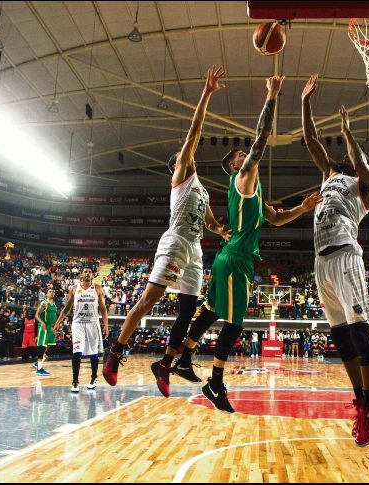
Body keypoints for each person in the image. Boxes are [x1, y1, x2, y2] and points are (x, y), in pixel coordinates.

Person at [172, 74, 321, 413]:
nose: (244, 154)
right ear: (233, 166)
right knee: (235, 323)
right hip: (236, 258)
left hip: (235, 257)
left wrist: (304, 207)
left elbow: (277, 218)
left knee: (211, 310)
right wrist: (271, 95)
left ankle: (184, 358)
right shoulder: (242, 178)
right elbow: (261, 137)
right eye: (238, 155)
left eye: (244, 154)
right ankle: (215, 382)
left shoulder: (254, 191)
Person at [103, 66, 232, 397]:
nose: (188, 158)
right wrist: (206, 93)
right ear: (178, 164)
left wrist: (221, 231)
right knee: (149, 299)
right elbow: (194, 133)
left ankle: (165, 364)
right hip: (175, 242)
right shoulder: (181, 178)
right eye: (183, 158)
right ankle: (115, 350)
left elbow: (210, 222)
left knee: (189, 309)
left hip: (195, 249)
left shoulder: (200, 189)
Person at [301, 74, 369, 446]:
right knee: (339, 336)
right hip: (321, 261)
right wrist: (305, 102)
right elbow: (312, 140)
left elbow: (359, 161)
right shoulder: (328, 177)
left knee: (358, 329)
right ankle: (359, 400)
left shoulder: (364, 185)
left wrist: (348, 132)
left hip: (347, 256)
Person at [55, 265, 109, 393]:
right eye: (85, 272)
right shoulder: (74, 289)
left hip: (93, 323)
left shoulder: (97, 288)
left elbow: (103, 308)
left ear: (92, 275)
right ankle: (75, 381)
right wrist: (58, 322)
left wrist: (106, 325)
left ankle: (93, 378)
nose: (87, 274)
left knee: (93, 354)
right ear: (81, 275)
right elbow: (67, 308)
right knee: (77, 351)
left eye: (90, 272)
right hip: (78, 323)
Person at [34, 288, 58, 376]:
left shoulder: (54, 305)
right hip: (43, 325)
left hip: (50, 326)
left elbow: (54, 318)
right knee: (42, 347)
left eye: (53, 291)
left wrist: (54, 327)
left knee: (52, 347)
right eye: (50, 292)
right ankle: (39, 369)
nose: (52, 293)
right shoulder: (44, 303)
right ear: (47, 294)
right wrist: (42, 322)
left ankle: (38, 363)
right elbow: (36, 315)